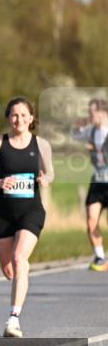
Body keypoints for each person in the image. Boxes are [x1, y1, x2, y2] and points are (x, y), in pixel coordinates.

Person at [0, 97, 54, 337]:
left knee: (20, 259)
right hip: (2, 213)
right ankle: (22, 273)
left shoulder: (41, 144)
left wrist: (44, 178)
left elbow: (50, 173)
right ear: (9, 118)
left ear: (31, 119)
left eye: (23, 115)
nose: (18, 119)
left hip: (30, 210)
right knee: (10, 270)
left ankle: (13, 319)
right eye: (14, 115)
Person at [71, 98, 108, 271]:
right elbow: (74, 132)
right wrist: (84, 122)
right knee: (91, 219)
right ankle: (100, 256)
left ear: (102, 113)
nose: (89, 115)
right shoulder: (91, 131)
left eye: (92, 112)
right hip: (98, 180)